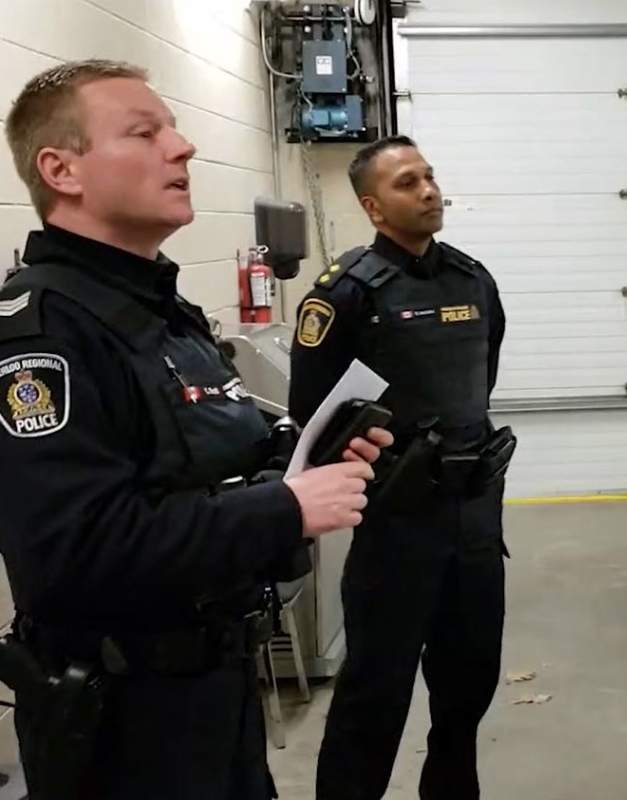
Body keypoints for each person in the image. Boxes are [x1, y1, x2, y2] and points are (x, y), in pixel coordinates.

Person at [0, 59, 392, 799]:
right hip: (123, 725)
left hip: (217, 688)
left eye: (174, 131)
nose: (181, 148)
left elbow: (207, 456)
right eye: (144, 133)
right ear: (62, 169)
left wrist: (302, 457)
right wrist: (288, 507)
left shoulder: (161, 312)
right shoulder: (41, 338)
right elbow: (72, 549)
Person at [289, 135, 509, 800]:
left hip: (473, 525)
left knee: (467, 691)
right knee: (373, 701)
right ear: (372, 206)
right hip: (396, 528)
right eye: (408, 182)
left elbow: (482, 377)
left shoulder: (472, 279)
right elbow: (315, 418)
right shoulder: (347, 294)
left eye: (430, 177)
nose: (429, 190)